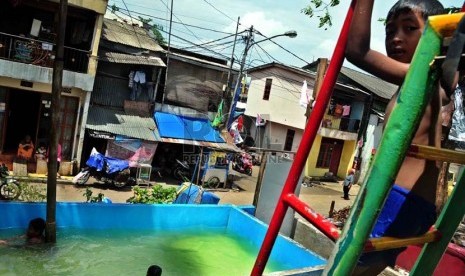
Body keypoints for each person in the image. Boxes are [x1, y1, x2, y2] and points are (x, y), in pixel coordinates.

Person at [345, 0, 446, 274]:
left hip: (399, 200)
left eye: (409, 28)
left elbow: (356, 50)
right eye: (390, 31)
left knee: (347, 268)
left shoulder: (423, 74)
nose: (396, 38)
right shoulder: (427, 82)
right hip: (413, 203)